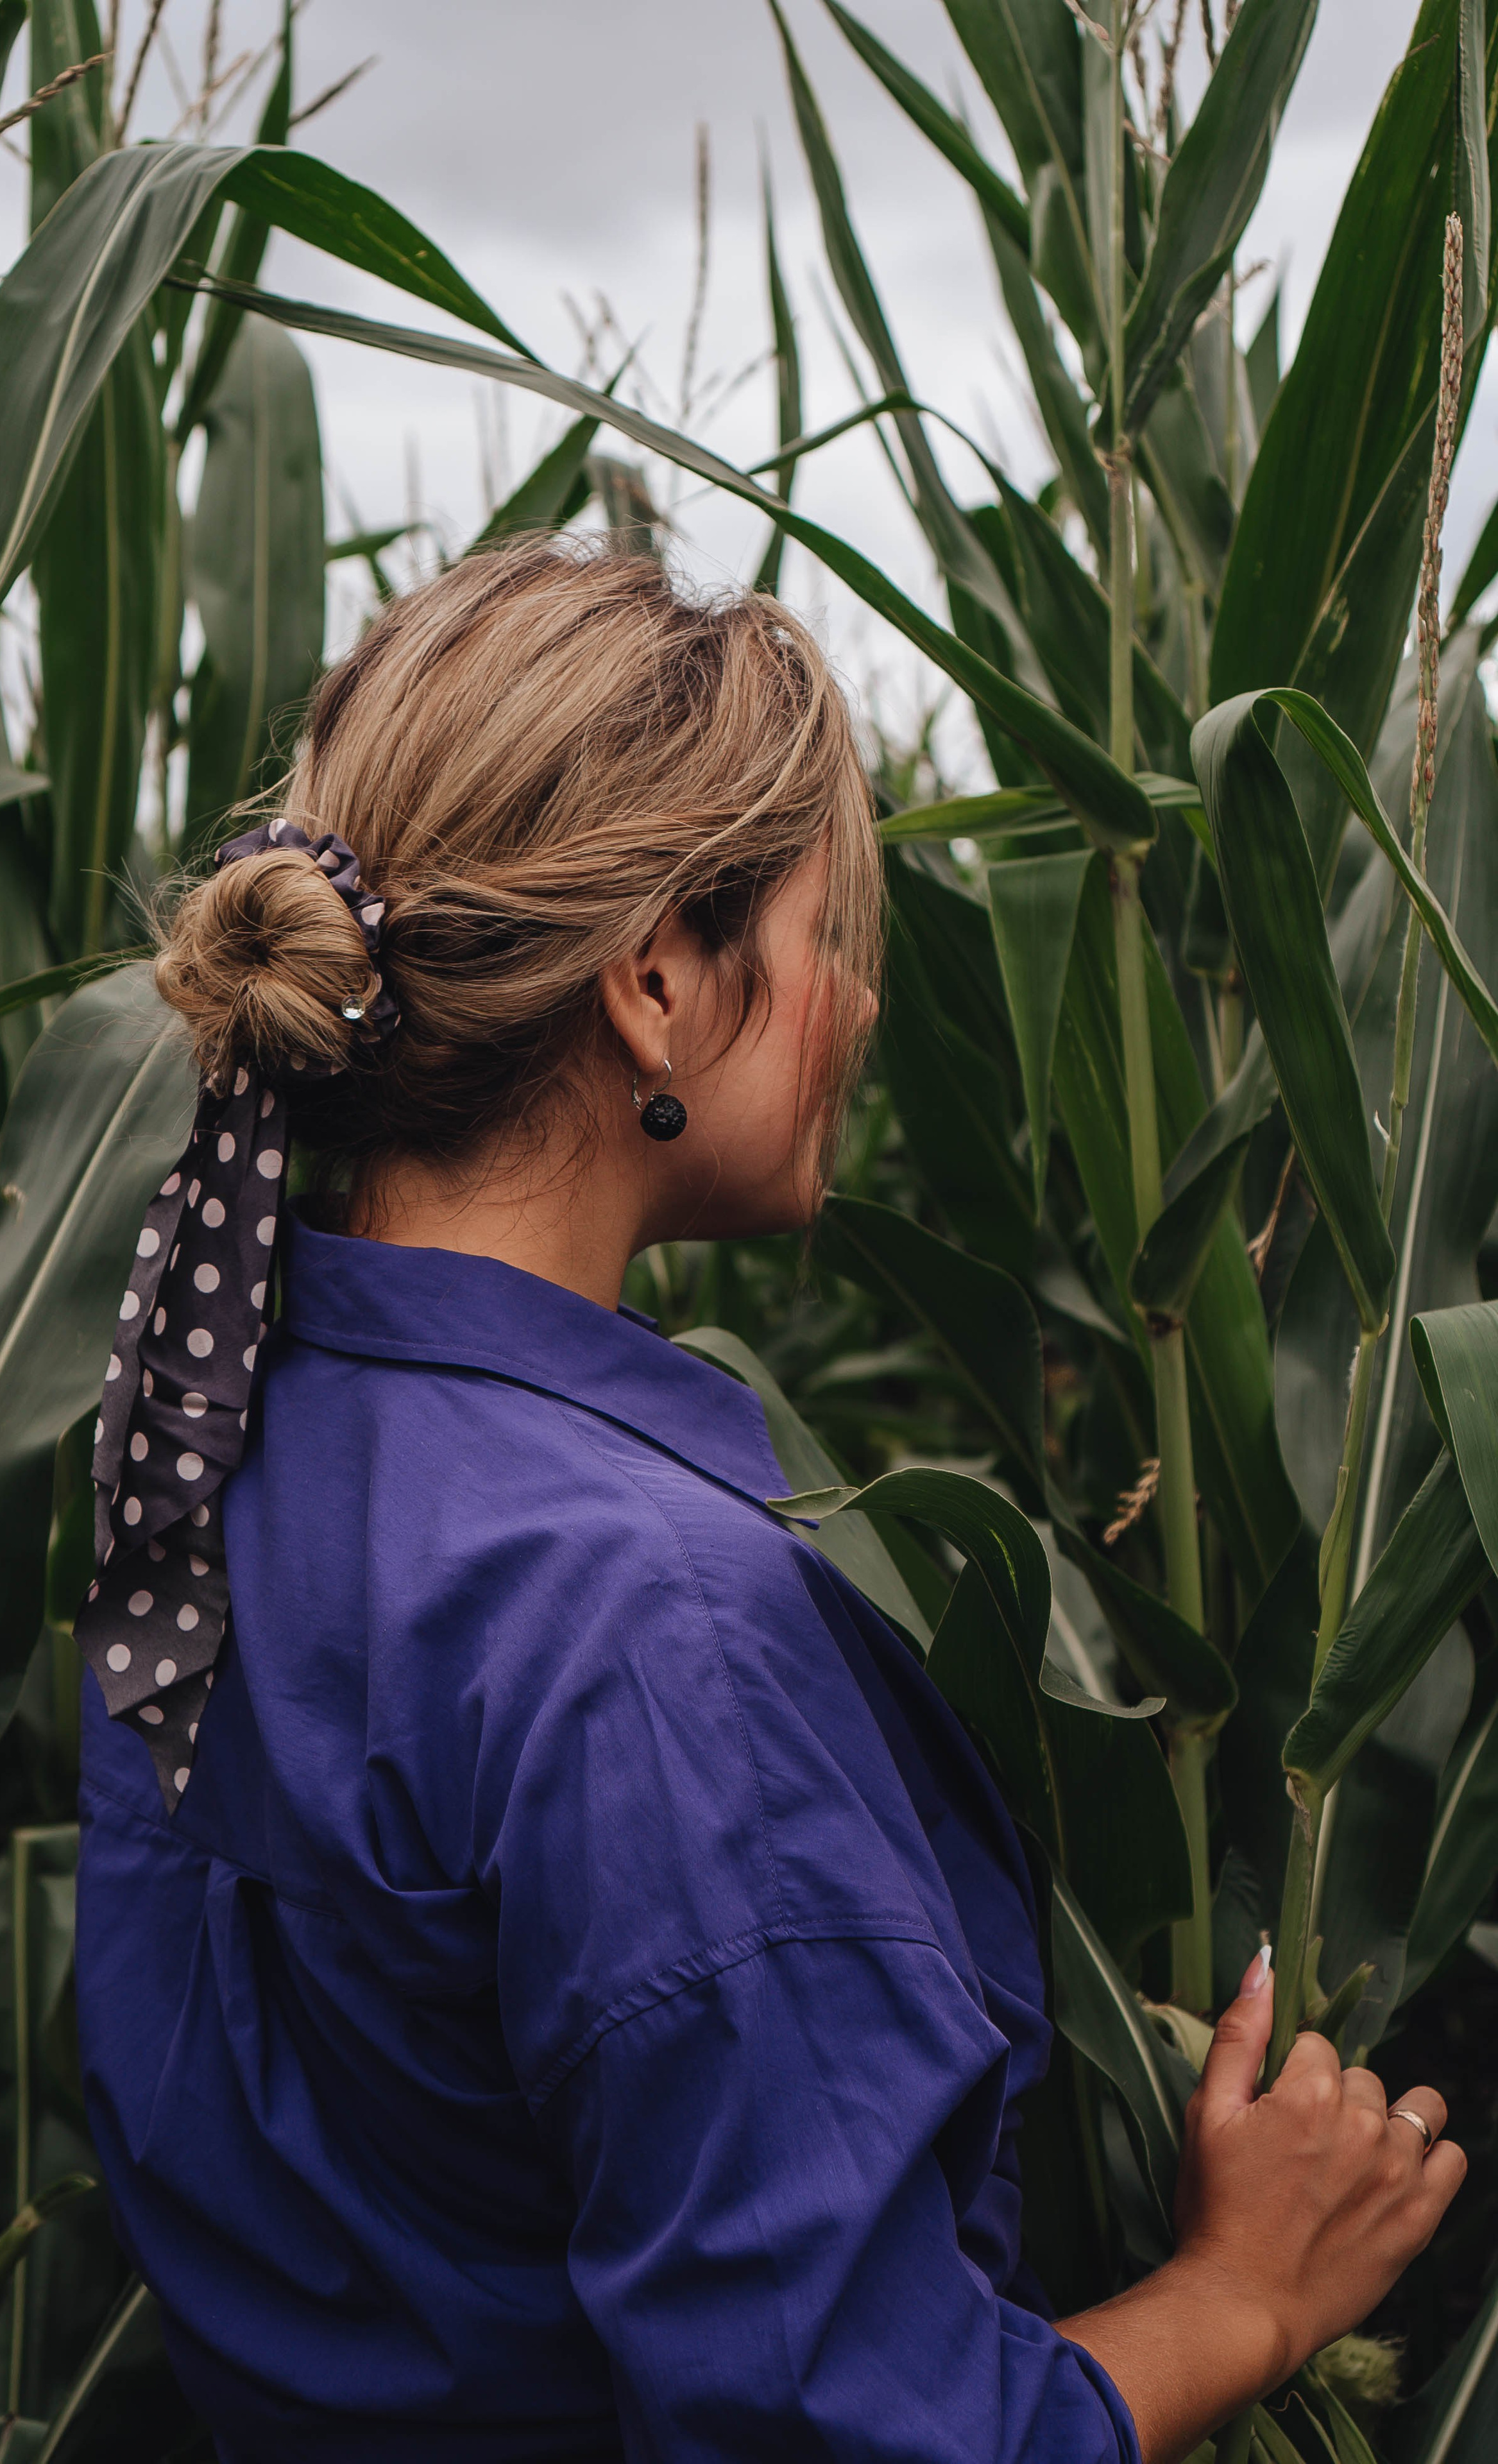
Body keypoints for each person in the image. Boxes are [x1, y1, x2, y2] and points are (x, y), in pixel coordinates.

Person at [73, 537, 1463, 2464]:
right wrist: (1247, 2292)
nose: (867, 1006)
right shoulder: (654, 1629)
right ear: (654, 979)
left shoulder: (209, 1442)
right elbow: (846, 2430)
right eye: (833, 937)